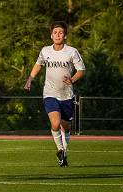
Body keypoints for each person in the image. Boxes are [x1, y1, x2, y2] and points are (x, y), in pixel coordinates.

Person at [24, 21, 85, 167]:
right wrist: (30, 79)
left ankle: (64, 153)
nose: (58, 35)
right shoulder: (45, 51)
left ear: (65, 36)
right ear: (51, 35)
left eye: (61, 33)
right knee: (55, 123)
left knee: (66, 126)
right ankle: (60, 150)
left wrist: (72, 79)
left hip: (66, 95)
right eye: (55, 32)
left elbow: (81, 70)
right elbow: (38, 64)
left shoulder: (72, 52)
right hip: (50, 93)